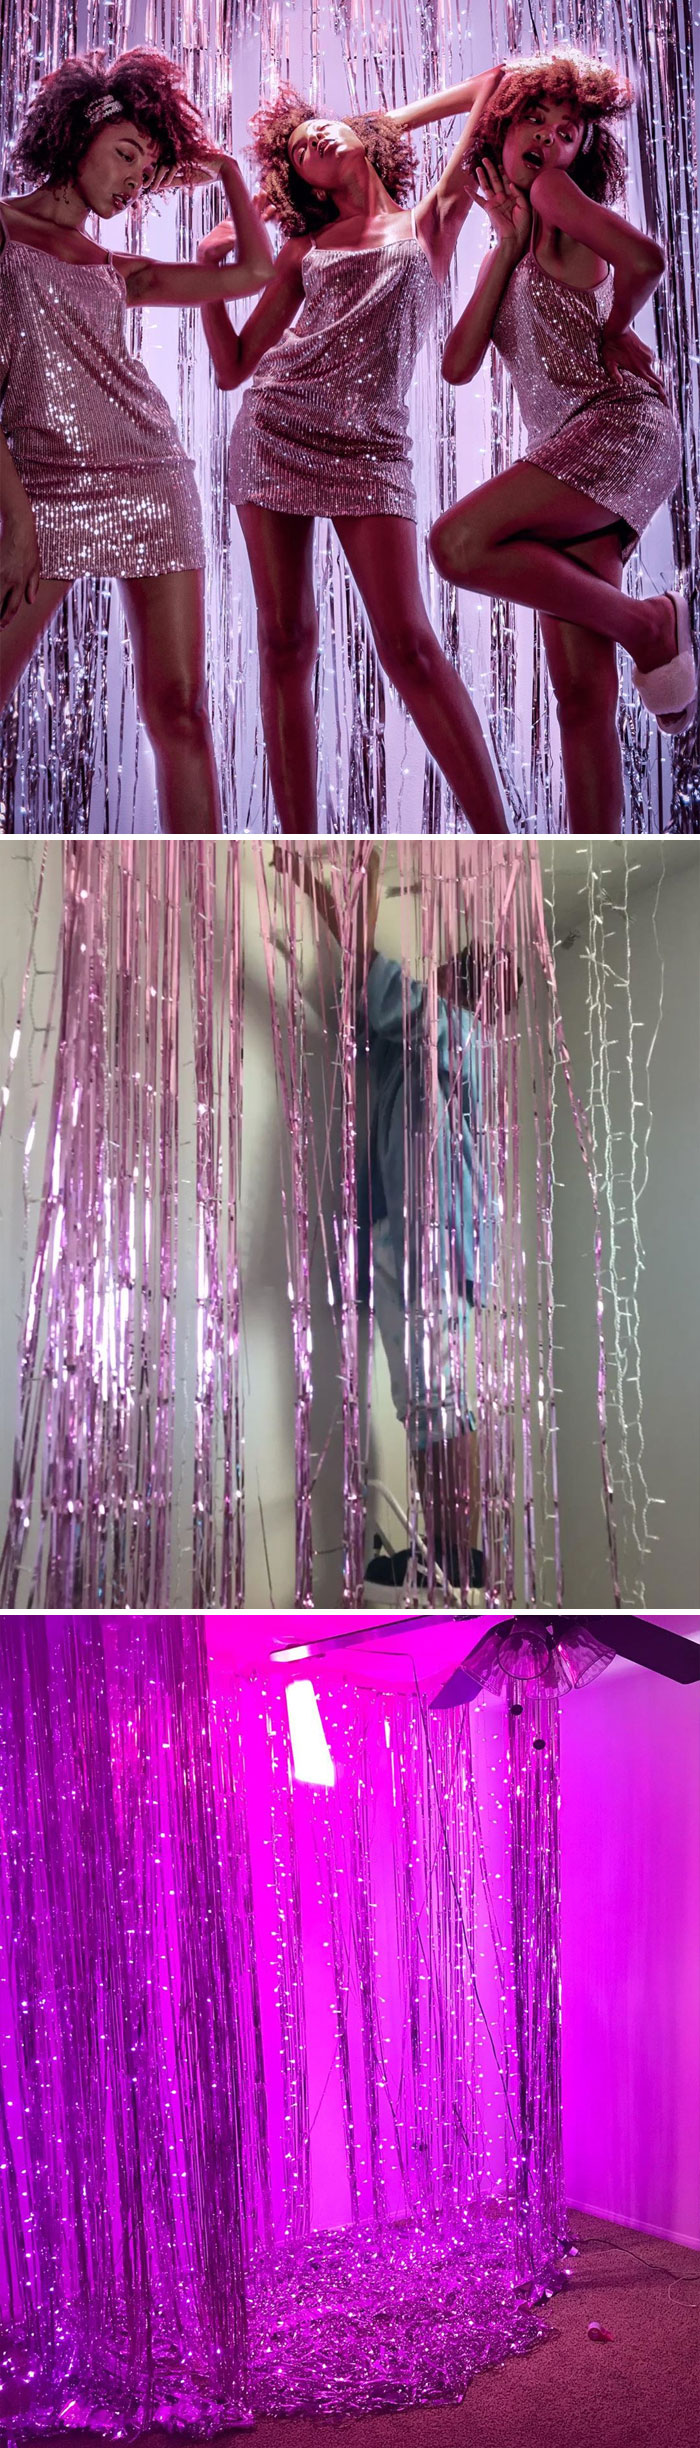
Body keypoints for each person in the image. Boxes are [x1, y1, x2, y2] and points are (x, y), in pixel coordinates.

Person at [198, 71, 509, 835]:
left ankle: (502, 843)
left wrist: (379, 122)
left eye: (321, 128)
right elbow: (234, 367)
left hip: (372, 448)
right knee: (284, 641)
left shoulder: (432, 218)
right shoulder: (304, 248)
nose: (312, 138)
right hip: (275, 431)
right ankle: (299, 858)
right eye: (298, 150)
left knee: (409, 647)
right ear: (298, 183)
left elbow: (494, 85)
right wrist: (208, 274)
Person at [0, 48, 274, 833]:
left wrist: (226, 171)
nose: (133, 182)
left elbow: (253, 272)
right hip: (44, 490)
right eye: (125, 155)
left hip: (153, 477)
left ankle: (206, 891)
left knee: (180, 712)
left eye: (148, 171)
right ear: (75, 134)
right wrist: (19, 523)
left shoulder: (117, 266)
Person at [429, 51, 695, 834]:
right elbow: (456, 366)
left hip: (616, 426)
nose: (547, 141)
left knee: (457, 544)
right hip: (573, 457)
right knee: (580, 701)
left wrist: (615, 328)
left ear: (582, 150)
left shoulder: (554, 191)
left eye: (566, 131)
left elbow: (648, 259)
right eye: (533, 123)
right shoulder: (510, 246)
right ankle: (595, 877)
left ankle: (648, 625)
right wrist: (506, 249)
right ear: (501, 133)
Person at [274, 845, 515, 1596]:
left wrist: (340, 896)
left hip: (429, 1235)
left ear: (462, 983)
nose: (430, 973)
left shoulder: (454, 1030)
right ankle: (446, 1551)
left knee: (437, 1401)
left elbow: (373, 987)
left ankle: (456, 1556)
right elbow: (367, 1005)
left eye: (445, 969)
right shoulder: (427, 1041)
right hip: (414, 1232)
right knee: (425, 1402)